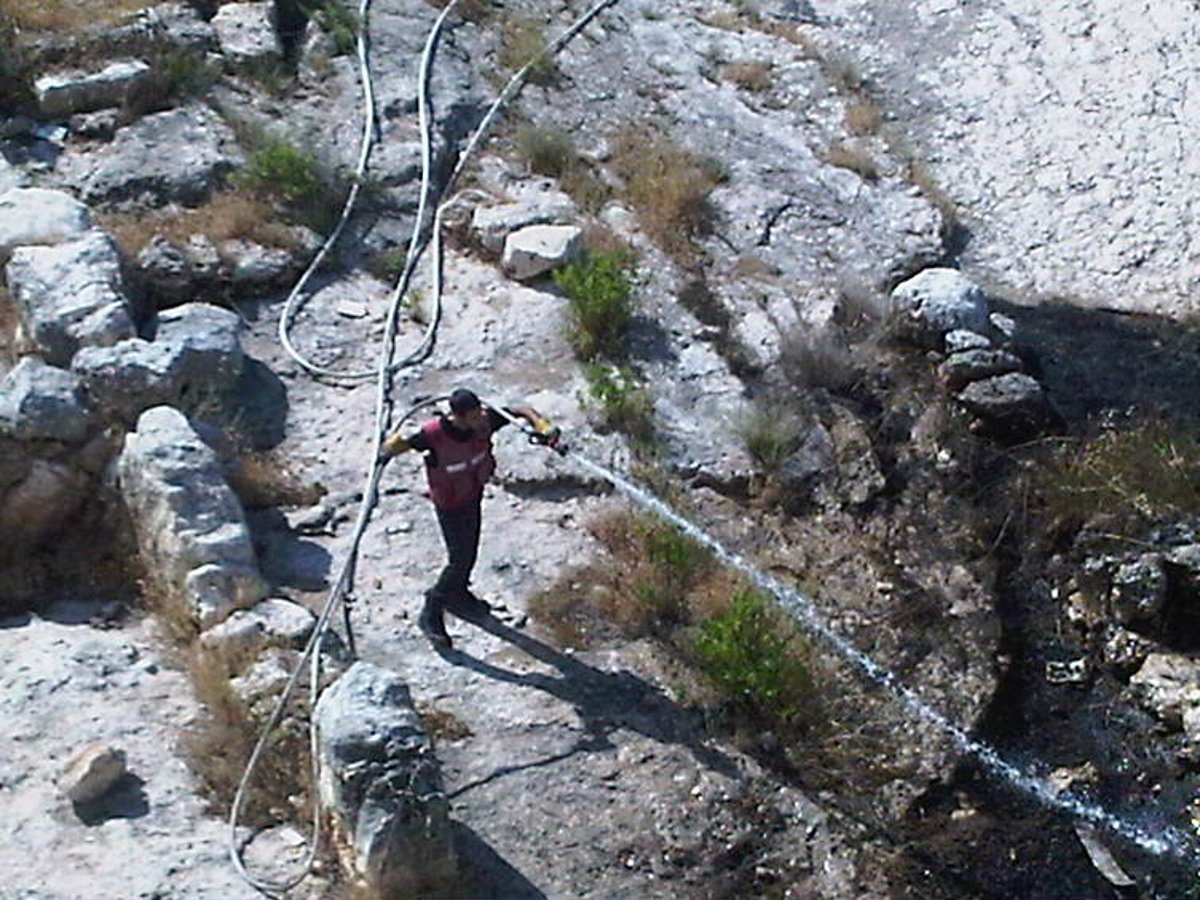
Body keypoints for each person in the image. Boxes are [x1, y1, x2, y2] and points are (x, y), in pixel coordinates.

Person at [379, 388, 561, 650]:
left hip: (472, 494)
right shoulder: (432, 435)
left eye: (480, 415)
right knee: (459, 559)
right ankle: (432, 609)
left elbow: (519, 410)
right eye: (473, 417)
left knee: (469, 553)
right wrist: (388, 450)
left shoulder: (485, 422)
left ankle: (458, 596)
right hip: (449, 504)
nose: (479, 421)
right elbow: (402, 443)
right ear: (457, 416)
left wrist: (541, 425)